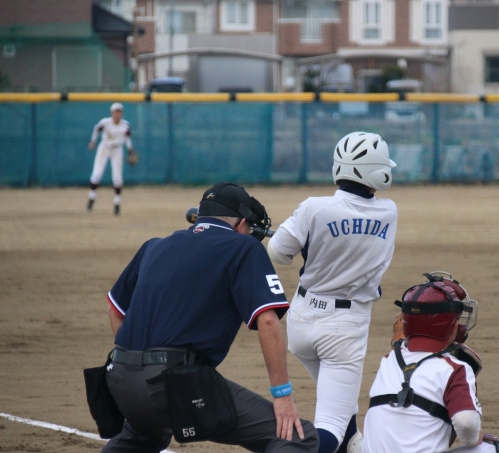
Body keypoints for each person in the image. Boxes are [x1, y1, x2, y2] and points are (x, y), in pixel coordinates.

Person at [100, 182, 318, 452]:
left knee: (145, 436)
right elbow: (268, 321)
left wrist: (136, 364)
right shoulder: (243, 247)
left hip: (118, 380)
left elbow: (114, 310)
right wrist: (282, 396)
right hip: (175, 385)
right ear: (240, 223)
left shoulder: (154, 246)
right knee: (297, 436)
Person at [266, 131, 399, 453]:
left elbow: (278, 253)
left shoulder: (314, 208)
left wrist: (301, 241)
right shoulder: (389, 211)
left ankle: (354, 446)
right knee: (331, 424)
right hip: (343, 329)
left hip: (301, 321)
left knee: (342, 404)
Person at [363, 272, 484, 453]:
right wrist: (474, 437)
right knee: (494, 447)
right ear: (452, 327)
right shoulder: (455, 369)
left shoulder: (389, 360)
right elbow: (466, 422)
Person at [87, 102, 135, 215]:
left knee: (117, 178)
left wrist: (130, 149)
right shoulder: (105, 122)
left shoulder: (125, 125)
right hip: (104, 148)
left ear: (122, 113)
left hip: (117, 150)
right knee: (97, 174)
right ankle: (91, 197)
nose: (117, 114)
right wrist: (93, 141)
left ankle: (117, 203)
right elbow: (96, 128)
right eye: (115, 112)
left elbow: (127, 138)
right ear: (111, 113)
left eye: (119, 112)